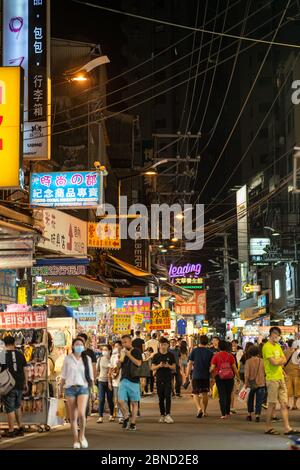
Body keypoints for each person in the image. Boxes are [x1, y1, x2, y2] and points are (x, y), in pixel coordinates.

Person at [262, 326, 299, 435]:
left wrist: (279, 362)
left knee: (284, 404)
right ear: (272, 334)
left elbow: (283, 359)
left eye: (279, 335)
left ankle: (287, 428)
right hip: (272, 379)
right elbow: (274, 362)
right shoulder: (267, 347)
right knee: (272, 404)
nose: (278, 337)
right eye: (276, 335)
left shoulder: (278, 346)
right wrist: (279, 361)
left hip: (280, 378)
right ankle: (267, 427)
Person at [59, 337, 93, 449]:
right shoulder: (68, 359)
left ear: (84, 346)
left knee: (81, 414)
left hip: (83, 388)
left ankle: (82, 436)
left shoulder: (87, 358)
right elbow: (63, 376)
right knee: (73, 416)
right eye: (77, 344)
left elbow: (91, 376)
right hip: (70, 389)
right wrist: (60, 390)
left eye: (81, 344)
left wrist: (92, 389)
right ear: (73, 346)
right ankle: (75, 440)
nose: (79, 346)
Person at [0, 336, 28, 438]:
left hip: (8, 385)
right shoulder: (20, 354)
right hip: (20, 384)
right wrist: (26, 382)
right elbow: (25, 369)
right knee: (17, 406)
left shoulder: (2, 355)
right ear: (14, 343)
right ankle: (20, 427)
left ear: (4, 344)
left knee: (9, 408)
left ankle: (11, 430)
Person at [118, 334, 142, 431]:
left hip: (134, 380)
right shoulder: (122, 352)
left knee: (134, 403)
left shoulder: (136, 351)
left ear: (130, 341)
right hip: (123, 378)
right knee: (120, 401)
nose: (124, 344)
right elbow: (120, 366)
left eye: (125, 342)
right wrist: (119, 363)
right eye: (122, 342)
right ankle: (126, 417)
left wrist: (129, 355)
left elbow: (139, 363)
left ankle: (133, 423)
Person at [210, 340, 240, 419]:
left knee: (222, 395)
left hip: (219, 377)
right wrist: (238, 377)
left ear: (219, 347)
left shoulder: (216, 356)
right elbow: (234, 368)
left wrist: (210, 373)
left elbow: (212, 368)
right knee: (228, 395)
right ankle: (228, 412)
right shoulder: (230, 356)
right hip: (230, 377)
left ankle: (223, 414)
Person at [186, 335, 213, 418]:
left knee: (195, 393)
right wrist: (211, 374)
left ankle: (199, 408)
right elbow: (212, 366)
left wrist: (187, 375)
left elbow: (190, 363)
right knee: (205, 393)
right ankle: (204, 411)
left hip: (196, 375)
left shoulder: (194, 351)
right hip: (205, 375)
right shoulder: (210, 352)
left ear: (199, 341)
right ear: (207, 342)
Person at [151, 337, 176, 423]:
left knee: (168, 397)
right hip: (159, 379)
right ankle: (162, 414)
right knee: (161, 398)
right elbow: (152, 367)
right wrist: (159, 366)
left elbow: (174, 368)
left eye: (165, 344)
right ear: (159, 345)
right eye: (161, 344)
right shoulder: (156, 356)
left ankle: (168, 414)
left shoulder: (171, 355)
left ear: (168, 345)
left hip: (168, 379)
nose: (163, 346)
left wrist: (168, 366)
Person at [244, 345, 266, 422]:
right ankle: (257, 416)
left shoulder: (248, 362)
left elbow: (246, 374)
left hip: (251, 384)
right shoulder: (262, 361)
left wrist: (246, 383)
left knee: (250, 399)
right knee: (259, 401)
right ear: (258, 352)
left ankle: (249, 414)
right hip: (261, 383)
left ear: (250, 353)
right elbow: (265, 372)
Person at [96, 344, 114, 423]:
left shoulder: (112, 359)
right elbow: (97, 369)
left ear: (110, 351)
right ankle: (100, 416)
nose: (104, 351)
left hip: (110, 381)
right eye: (103, 350)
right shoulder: (100, 359)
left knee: (110, 399)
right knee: (101, 399)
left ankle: (111, 415)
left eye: (106, 350)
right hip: (101, 381)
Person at [109, 340, 123, 423]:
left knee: (122, 399)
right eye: (115, 346)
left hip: (123, 380)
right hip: (115, 381)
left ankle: (121, 416)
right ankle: (118, 413)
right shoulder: (113, 357)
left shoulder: (124, 355)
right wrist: (110, 381)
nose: (117, 348)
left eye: (118, 346)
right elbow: (110, 369)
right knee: (116, 399)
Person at [284, 339, 300, 411]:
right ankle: (294, 405)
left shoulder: (284, 352)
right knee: (296, 390)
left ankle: (287, 404)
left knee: (287, 390)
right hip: (296, 373)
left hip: (286, 373)